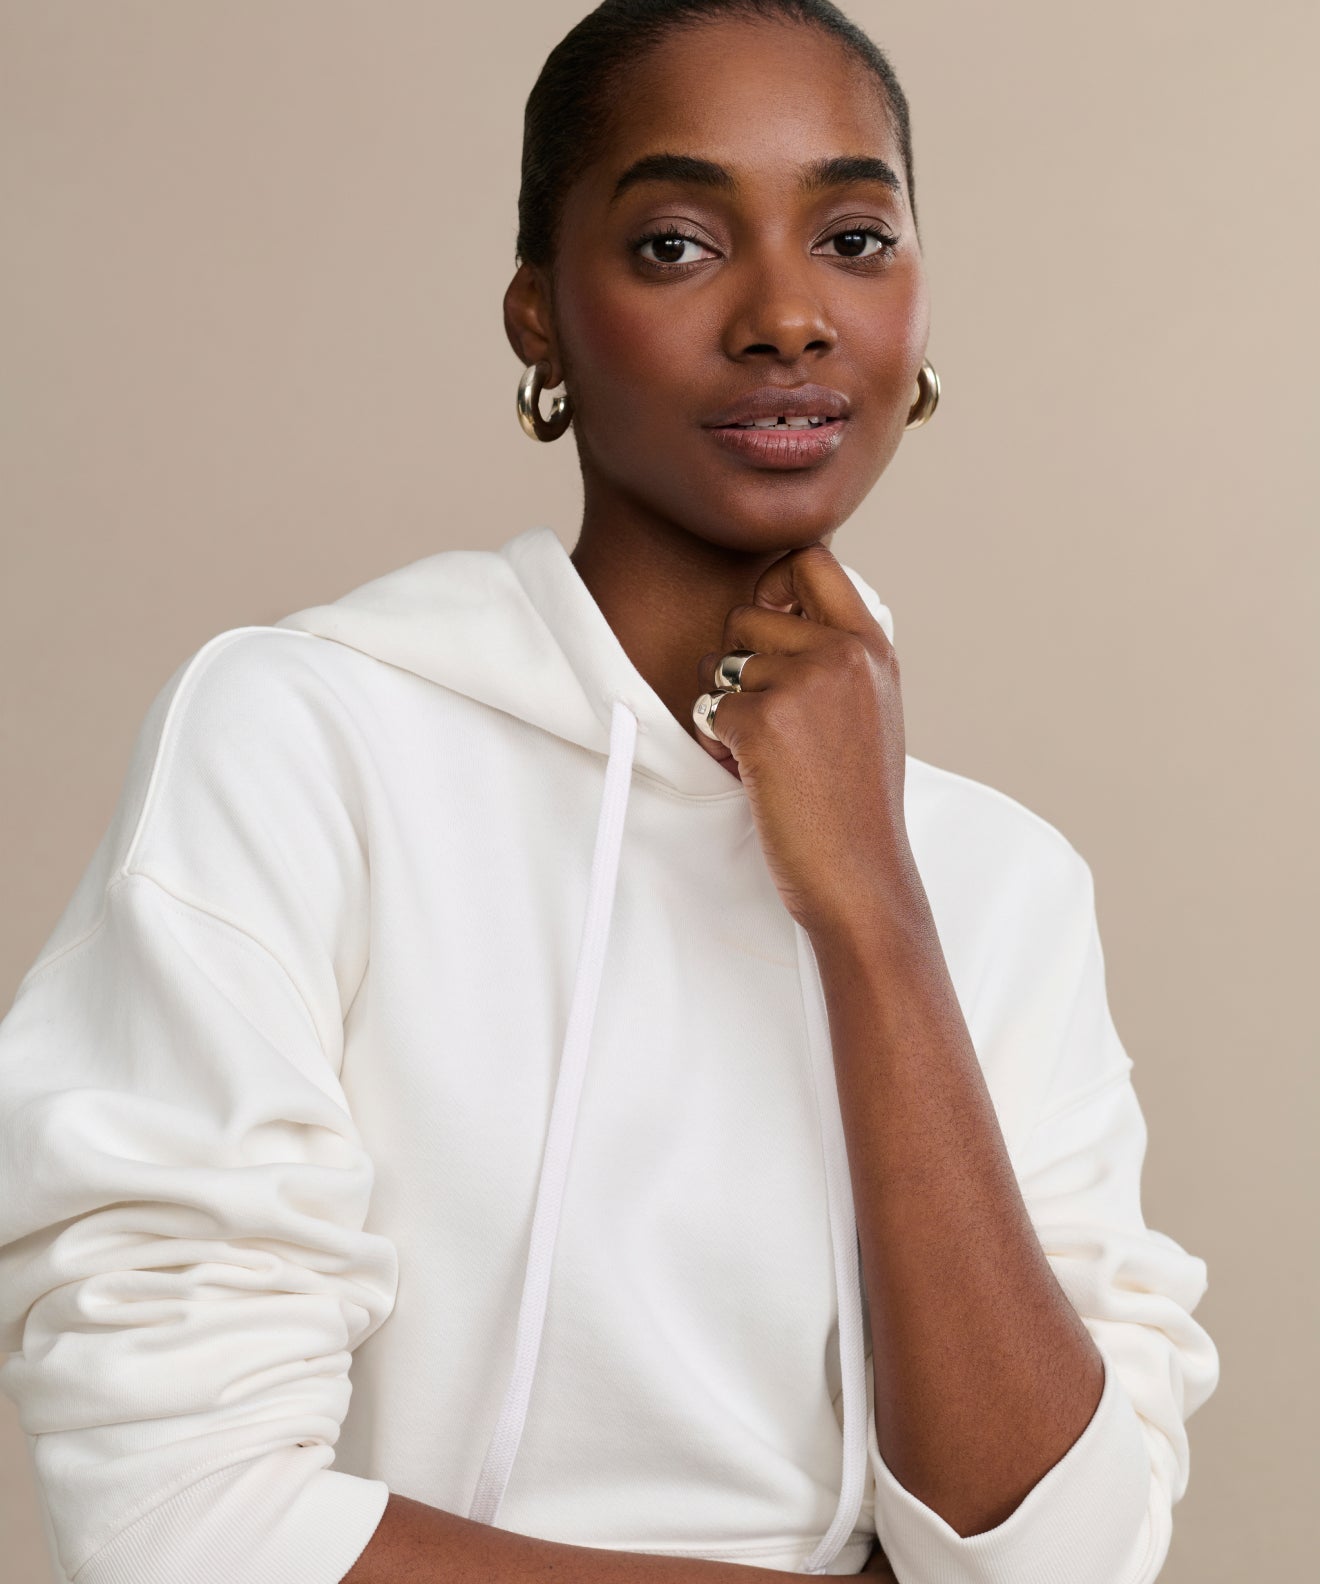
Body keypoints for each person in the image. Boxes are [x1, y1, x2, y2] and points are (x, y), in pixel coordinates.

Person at [0, 3, 1219, 1582]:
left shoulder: (1002, 884)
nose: (788, 314)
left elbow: (1069, 1554)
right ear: (539, 319)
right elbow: (178, 1521)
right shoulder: (303, 740)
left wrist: (873, 916)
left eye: (854, 235)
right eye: (674, 246)